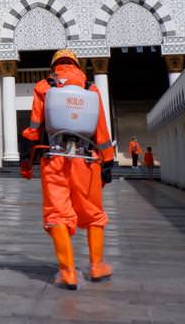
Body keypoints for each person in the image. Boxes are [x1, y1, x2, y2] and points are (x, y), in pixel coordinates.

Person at [19, 48, 115, 290]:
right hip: (86, 159)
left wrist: (26, 161)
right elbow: (101, 129)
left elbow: (34, 127)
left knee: (57, 213)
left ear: (54, 66)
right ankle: (97, 266)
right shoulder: (90, 88)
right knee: (93, 212)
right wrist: (107, 162)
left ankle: (68, 272)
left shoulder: (44, 86)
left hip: (54, 158)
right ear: (77, 65)